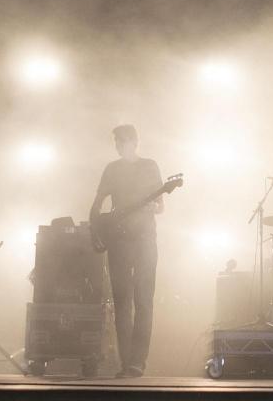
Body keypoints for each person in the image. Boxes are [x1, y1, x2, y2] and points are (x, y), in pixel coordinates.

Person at [89, 124, 163, 378]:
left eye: (121, 141)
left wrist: (153, 207)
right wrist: (95, 233)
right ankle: (125, 362)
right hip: (118, 242)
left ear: (134, 140)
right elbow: (96, 205)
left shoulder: (150, 166)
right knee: (122, 302)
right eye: (116, 142)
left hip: (144, 240)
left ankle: (137, 363)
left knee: (144, 301)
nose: (118, 146)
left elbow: (160, 206)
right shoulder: (112, 169)